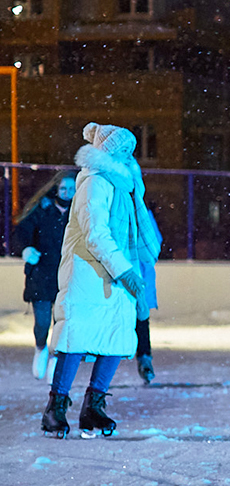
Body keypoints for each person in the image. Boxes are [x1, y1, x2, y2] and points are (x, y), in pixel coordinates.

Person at [41, 123, 158, 439]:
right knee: (76, 337)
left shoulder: (123, 187)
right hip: (88, 272)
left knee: (116, 338)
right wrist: (125, 271)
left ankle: (93, 406)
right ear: (108, 152)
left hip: (115, 271)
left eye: (131, 150)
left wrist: (126, 269)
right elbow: (96, 234)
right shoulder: (94, 183)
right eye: (123, 150)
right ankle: (55, 408)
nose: (129, 156)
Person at [13, 171, 75, 380]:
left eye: (71, 189)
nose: (67, 193)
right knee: (42, 322)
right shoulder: (42, 210)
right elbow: (20, 233)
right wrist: (26, 249)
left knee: (61, 323)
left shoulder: (78, 214)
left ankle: (55, 358)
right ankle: (40, 348)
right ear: (56, 189)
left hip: (67, 277)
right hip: (41, 276)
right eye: (63, 188)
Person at [133, 210, 163, 384]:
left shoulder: (143, 214)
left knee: (141, 321)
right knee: (138, 321)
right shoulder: (114, 207)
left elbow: (154, 244)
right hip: (123, 275)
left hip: (140, 277)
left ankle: (145, 360)